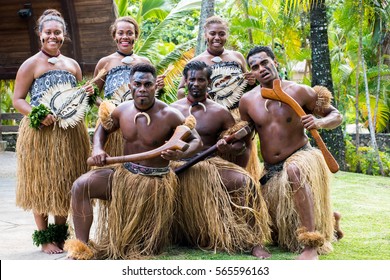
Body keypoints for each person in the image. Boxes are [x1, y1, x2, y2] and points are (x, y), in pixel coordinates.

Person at [64, 63, 202, 260]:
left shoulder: (170, 114)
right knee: (81, 185)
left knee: (141, 248)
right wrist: (98, 148)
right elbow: (103, 128)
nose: (142, 89)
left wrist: (180, 154)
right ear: (130, 86)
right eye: (137, 84)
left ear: (156, 86)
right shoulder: (122, 110)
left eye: (148, 84)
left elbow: (197, 139)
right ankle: (81, 248)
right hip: (125, 174)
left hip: (153, 184)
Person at [239, 46, 344, 260]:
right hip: (271, 169)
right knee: (279, 234)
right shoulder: (247, 101)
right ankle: (330, 220)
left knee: (294, 170)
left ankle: (311, 245)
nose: (262, 69)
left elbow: (336, 115)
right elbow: (246, 135)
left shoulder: (299, 91)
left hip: (301, 156)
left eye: (265, 63)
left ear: (275, 62)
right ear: (252, 73)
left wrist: (319, 121)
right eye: (255, 67)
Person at [170, 61, 271, 258]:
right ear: (186, 81)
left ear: (209, 82)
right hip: (178, 165)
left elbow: (240, 145)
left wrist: (228, 147)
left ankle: (254, 241)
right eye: (192, 79)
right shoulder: (172, 110)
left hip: (210, 166)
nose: (196, 84)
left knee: (246, 182)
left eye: (201, 80)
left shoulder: (220, 112)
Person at [12, 9, 91, 254]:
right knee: (42, 183)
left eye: (57, 32)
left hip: (68, 134)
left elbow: (76, 97)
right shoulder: (31, 64)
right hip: (40, 135)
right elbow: (18, 99)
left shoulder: (72, 65)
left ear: (64, 35)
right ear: (40, 34)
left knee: (64, 182)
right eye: (48, 32)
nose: (53, 36)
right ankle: (45, 239)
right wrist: (38, 114)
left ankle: (59, 235)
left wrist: (86, 95)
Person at [178, 15, 262, 182]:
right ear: (205, 35)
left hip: (237, 117)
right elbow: (181, 90)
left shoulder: (237, 57)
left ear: (227, 35)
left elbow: (248, 85)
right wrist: (203, 98)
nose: (217, 38)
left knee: (242, 153)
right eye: (213, 33)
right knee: (216, 156)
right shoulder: (197, 61)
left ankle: (242, 188)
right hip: (211, 117)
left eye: (222, 34)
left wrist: (252, 82)